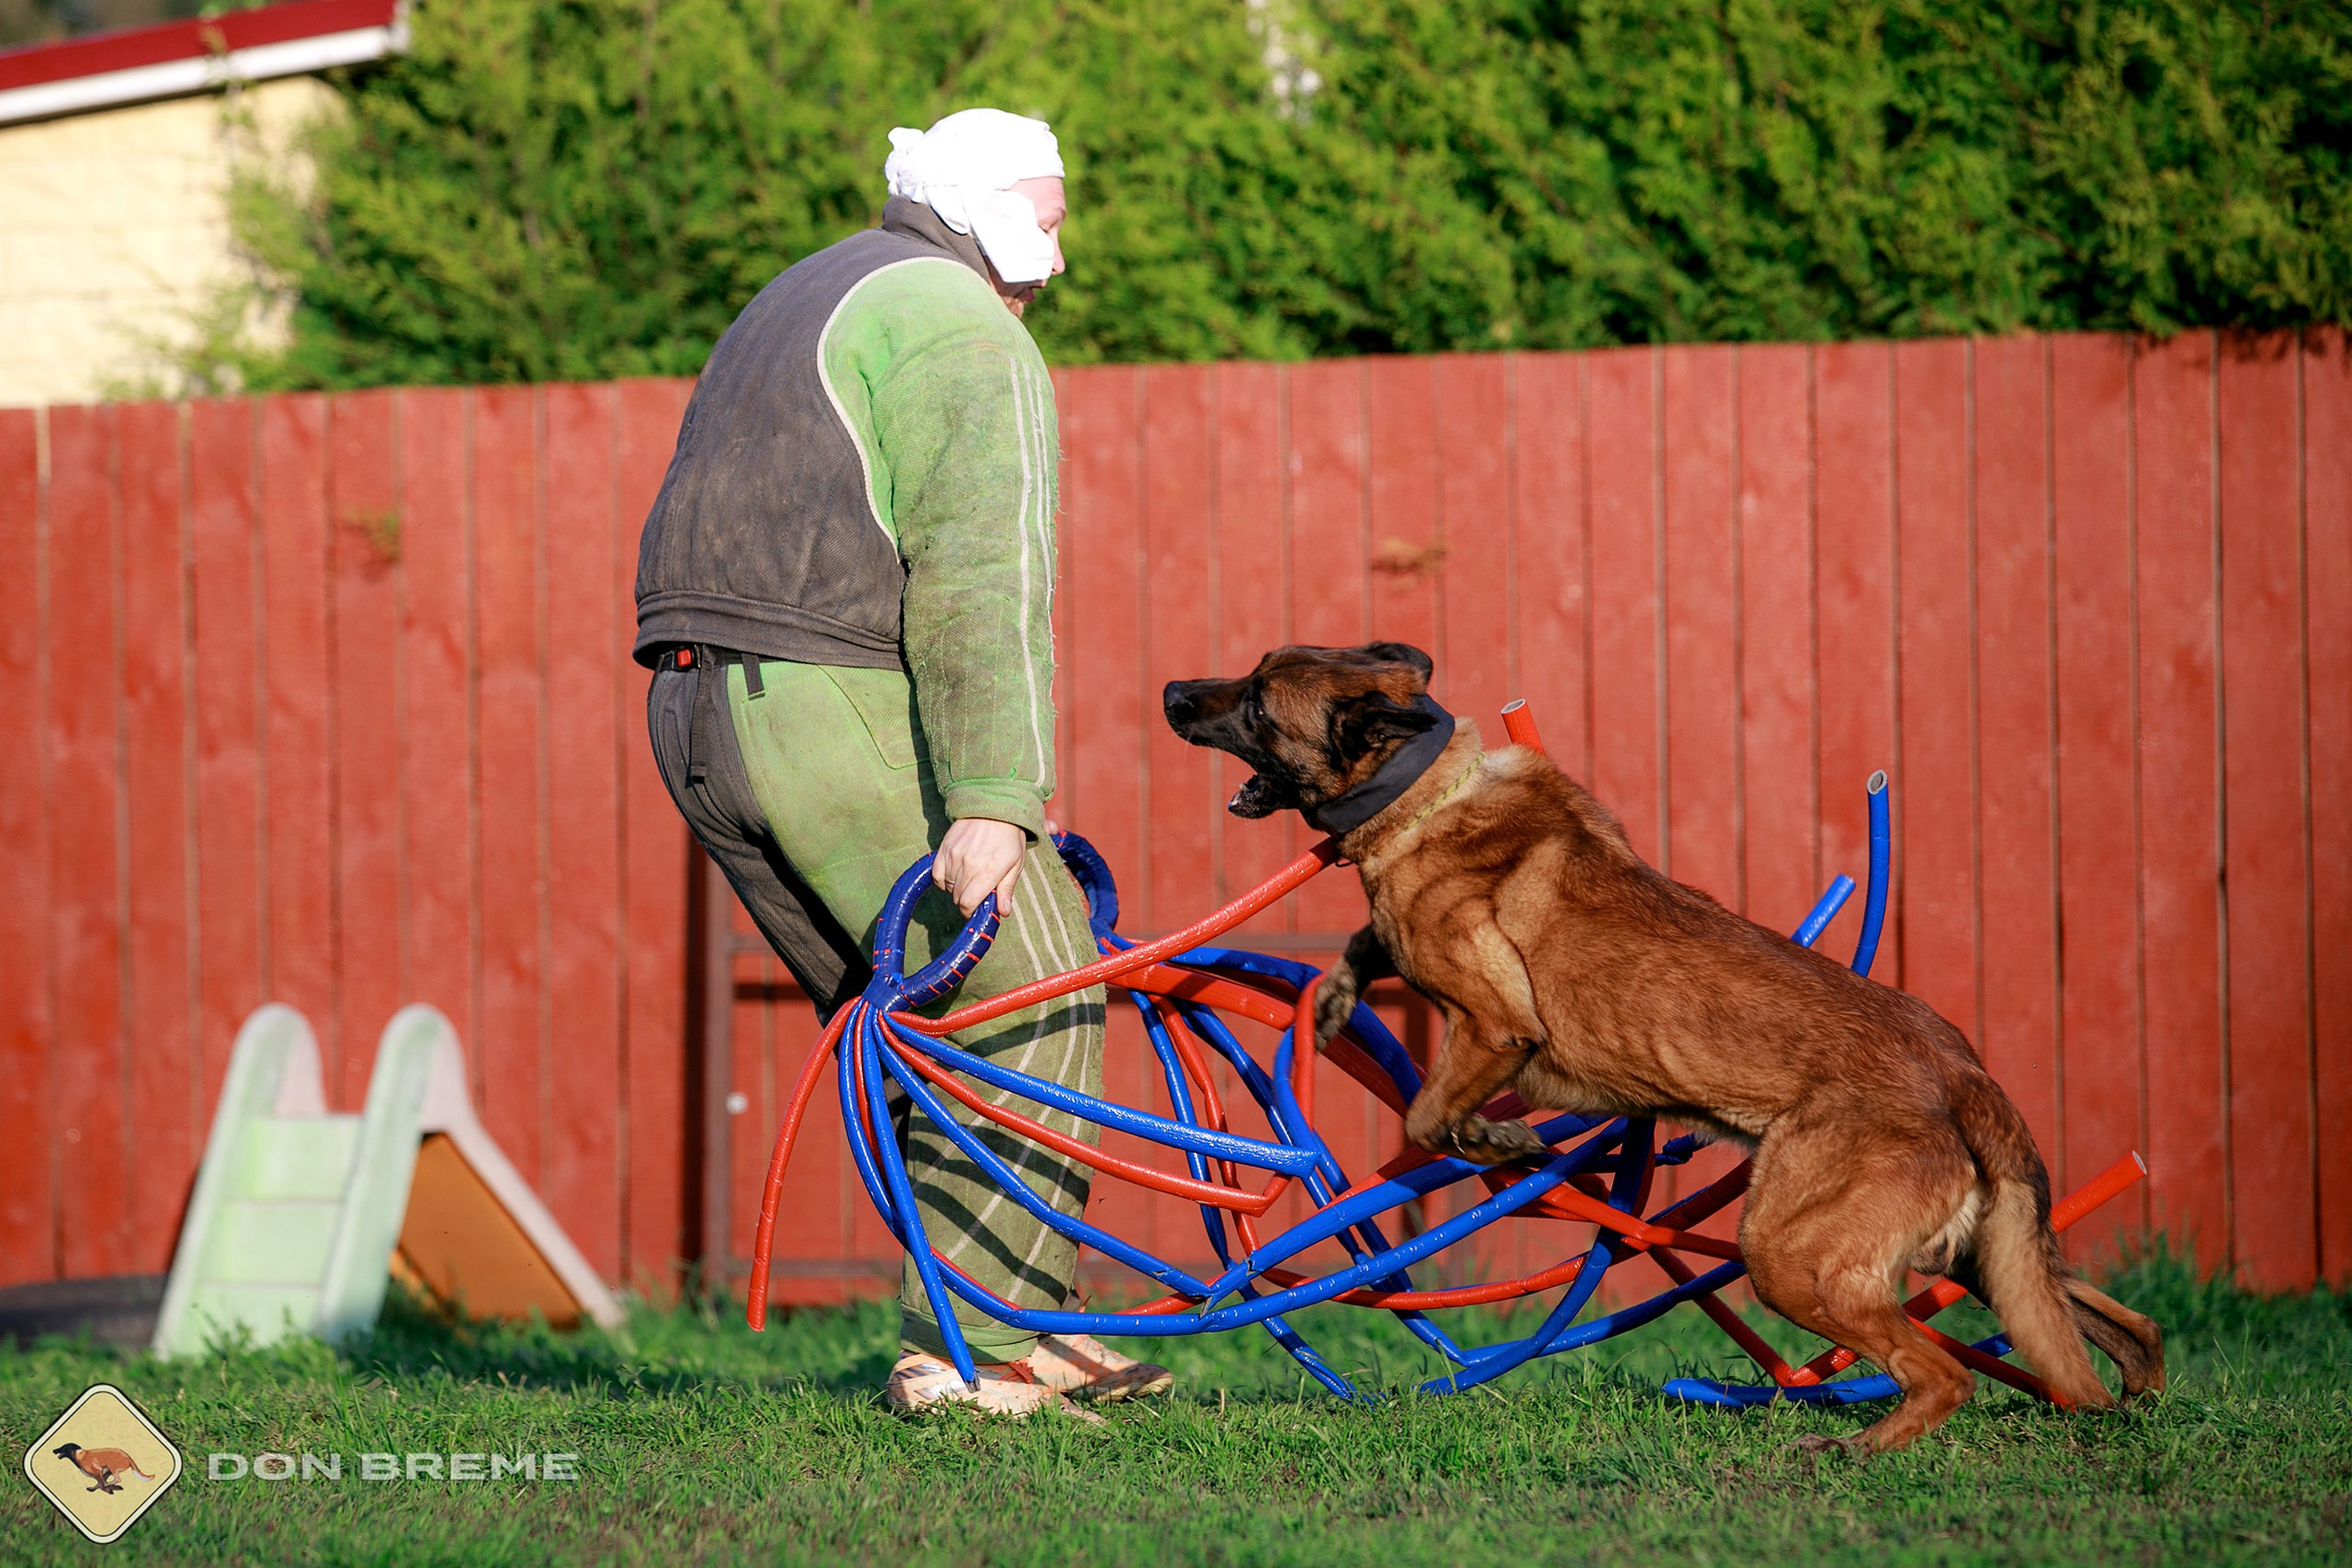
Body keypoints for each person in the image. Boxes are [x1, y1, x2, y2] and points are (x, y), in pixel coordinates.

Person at [634, 108, 1168, 1416]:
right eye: (1048, 217)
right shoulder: (963, 328)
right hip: (827, 697)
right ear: (983, 204)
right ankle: (993, 1354)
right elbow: (983, 583)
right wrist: (995, 799)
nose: (1063, 248)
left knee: (932, 1024)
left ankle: (1018, 1321)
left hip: (696, 713)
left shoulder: (810, 287)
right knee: (1032, 985)